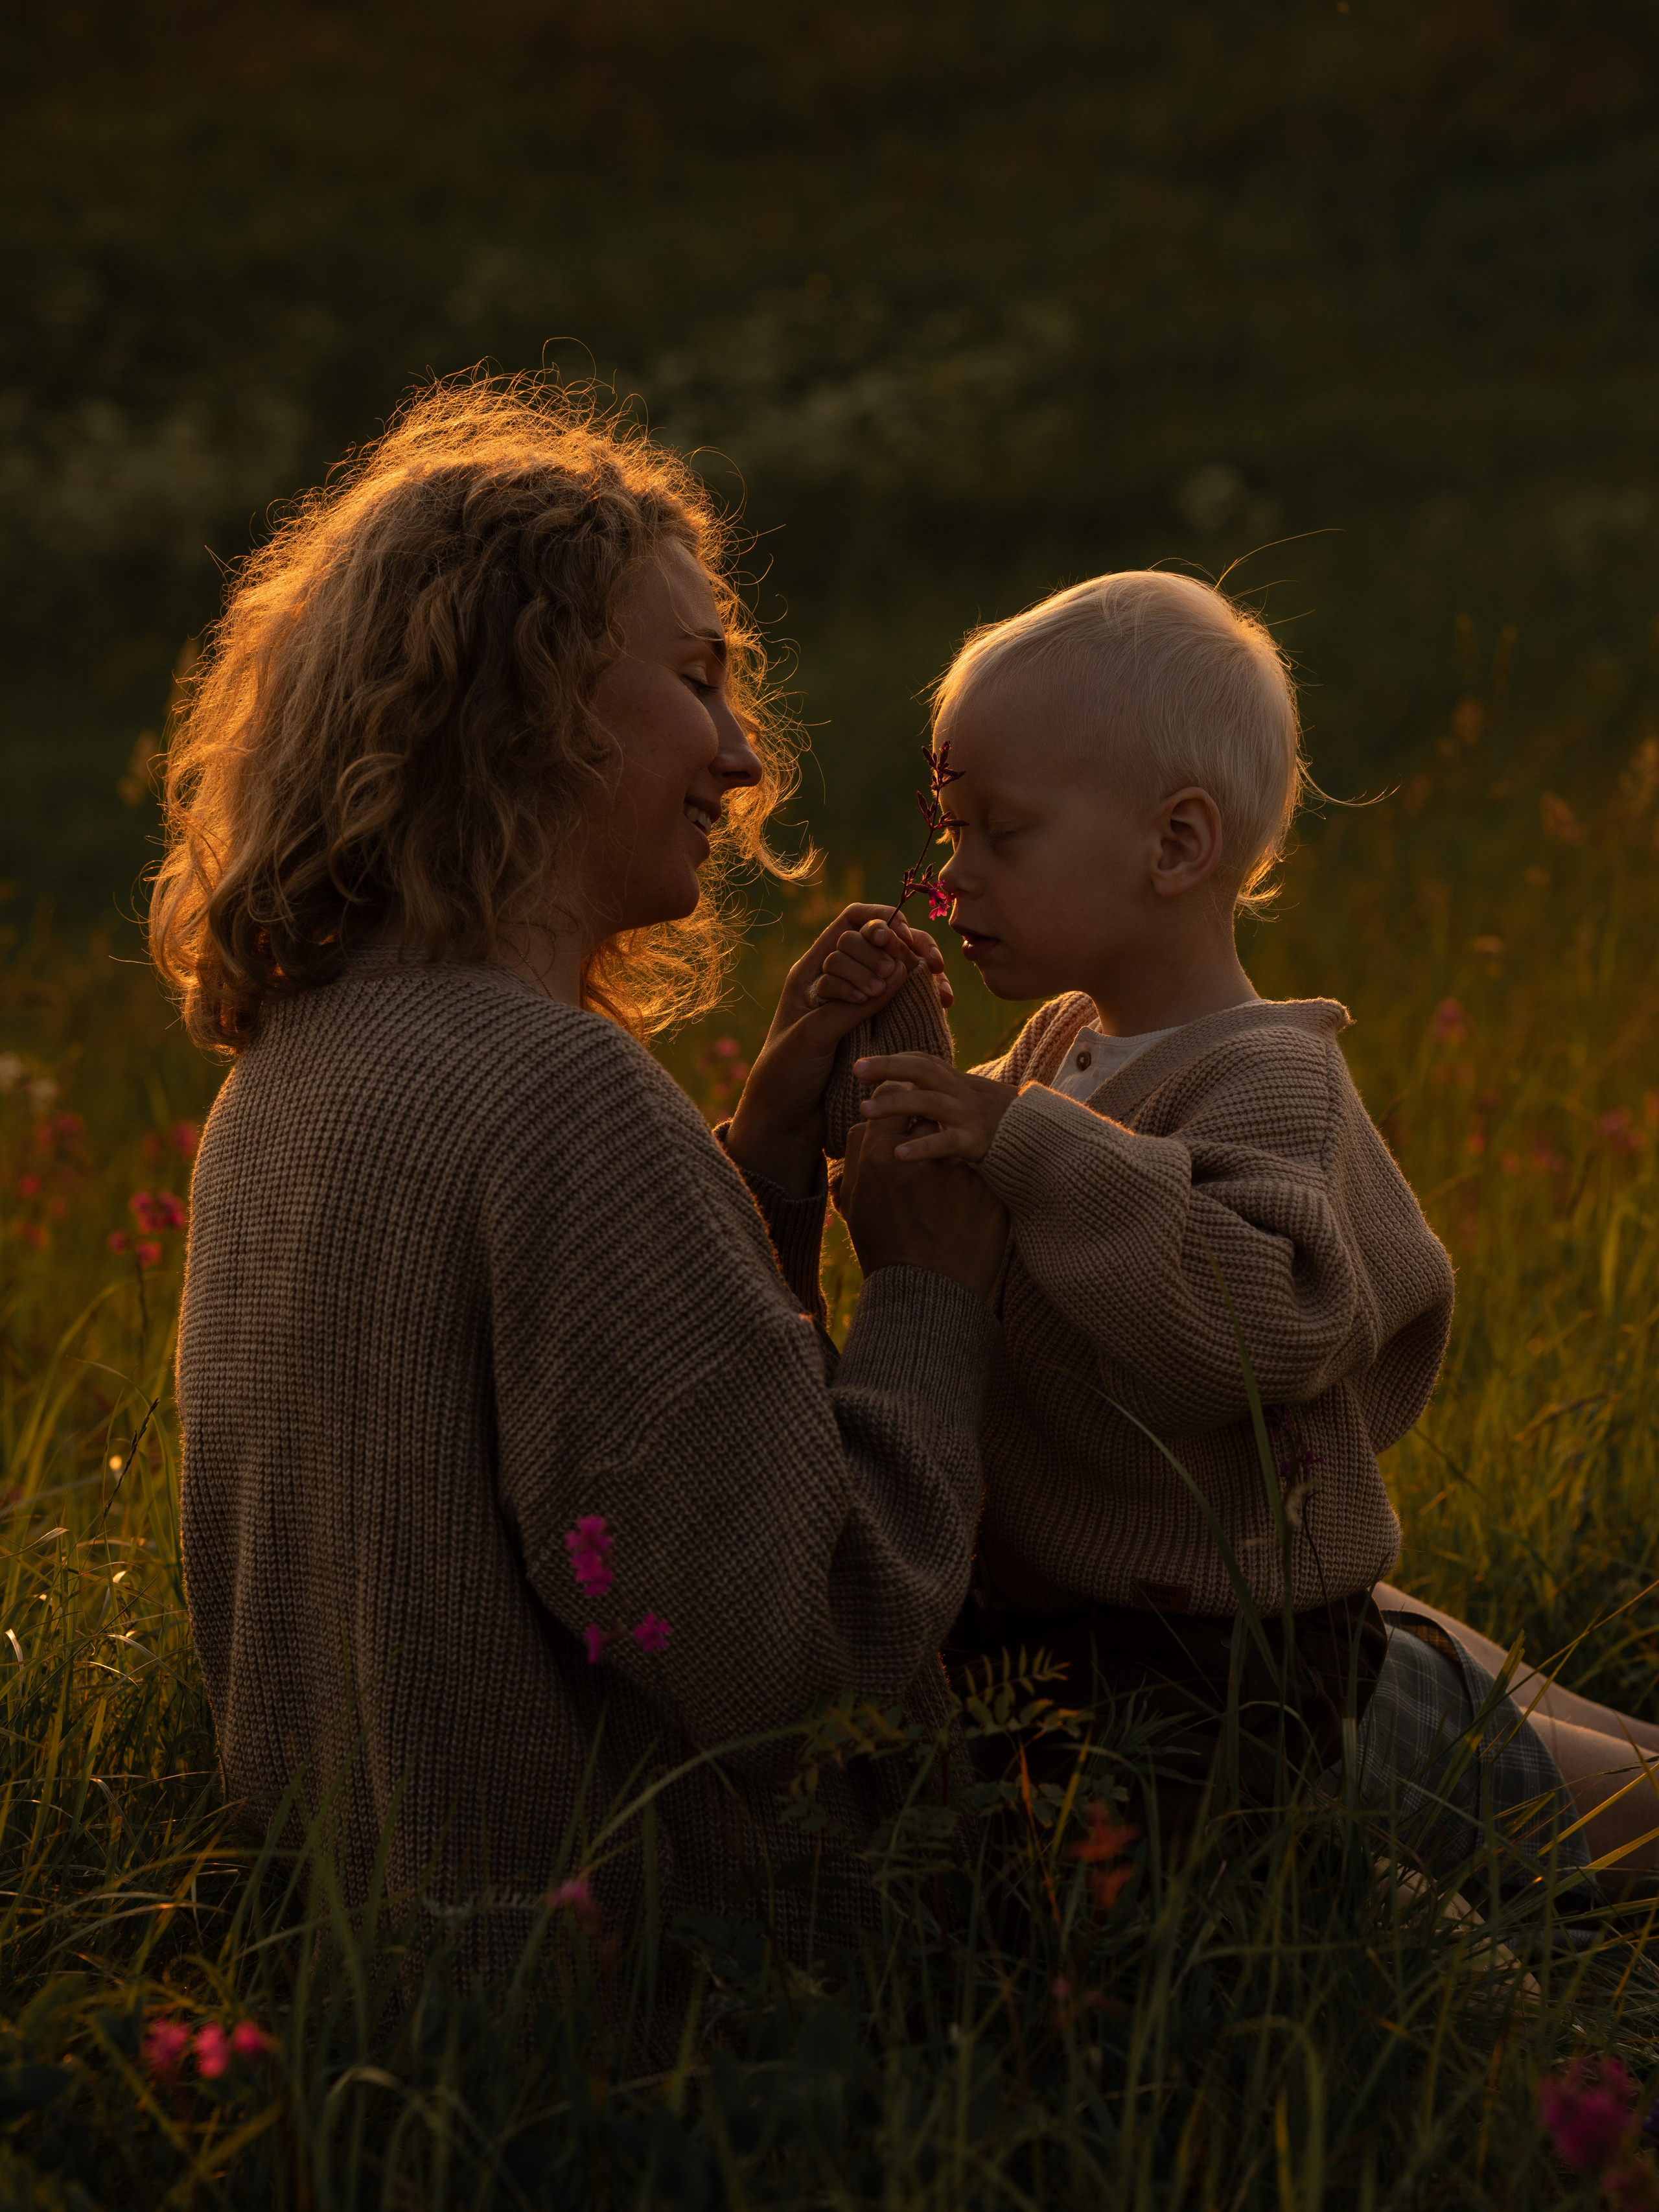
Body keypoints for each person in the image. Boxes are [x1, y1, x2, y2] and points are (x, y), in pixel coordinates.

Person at [152, 376, 1008, 1984]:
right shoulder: (554, 1096)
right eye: (697, 681)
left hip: (402, 1996)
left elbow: (557, 1513)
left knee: (1417, 1679)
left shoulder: (290, 1079)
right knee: (1346, 1684)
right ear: (527, 697)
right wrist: (930, 1294)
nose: (743, 759)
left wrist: (757, 1184)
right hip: (682, 2011)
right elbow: (822, 1661)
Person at [790, 569, 1659, 1891]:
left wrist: (1011, 1136)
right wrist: (888, 1054)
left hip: (1237, 1654)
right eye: (946, 830)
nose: (951, 873)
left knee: (1561, 1832)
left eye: (999, 834)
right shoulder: (1063, 1045)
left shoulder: (1266, 1078)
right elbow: (1024, 1244)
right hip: (1103, 1631)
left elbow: (1252, 1330)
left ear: (1175, 847)